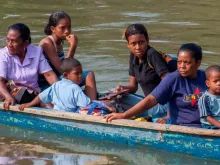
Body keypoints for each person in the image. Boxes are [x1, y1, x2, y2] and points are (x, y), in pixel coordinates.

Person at [105, 43, 207, 128]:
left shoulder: (206, 78)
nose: (182, 66)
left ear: (198, 64)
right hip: (183, 127)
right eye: (179, 62)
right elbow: (150, 100)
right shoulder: (173, 79)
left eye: (187, 63)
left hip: (208, 126)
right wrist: (124, 115)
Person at [115, 24, 171, 123]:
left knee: (119, 101)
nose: (138, 47)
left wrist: (169, 116)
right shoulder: (133, 56)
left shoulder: (152, 55)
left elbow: (170, 85)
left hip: (161, 106)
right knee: (116, 96)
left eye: (141, 42)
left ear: (147, 41)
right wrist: (122, 88)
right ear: (128, 45)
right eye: (133, 44)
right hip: (149, 102)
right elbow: (133, 87)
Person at [38, 11, 97, 100]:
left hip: (62, 78)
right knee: (79, 75)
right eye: (62, 28)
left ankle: (92, 104)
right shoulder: (47, 43)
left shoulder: (60, 41)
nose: (67, 31)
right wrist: (73, 46)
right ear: (53, 29)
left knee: (89, 74)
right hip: (48, 85)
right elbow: (63, 69)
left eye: (69, 27)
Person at [0, 23, 58, 110]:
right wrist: (8, 97)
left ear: (26, 43)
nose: (9, 44)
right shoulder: (3, 54)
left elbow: (49, 75)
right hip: (13, 93)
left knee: (50, 101)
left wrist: (61, 89)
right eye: (8, 40)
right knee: (44, 103)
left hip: (34, 93)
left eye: (14, 41)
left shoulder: (37, 51)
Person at [19, 58, 91, 112]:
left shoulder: (56, 85)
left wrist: (29, 104)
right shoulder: (75, 88)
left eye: (81, 73)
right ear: (65, 75)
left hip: (57, 114)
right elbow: (85, 104)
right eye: (76, 73)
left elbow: (41, 96)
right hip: (71, 115)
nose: (80, 76)